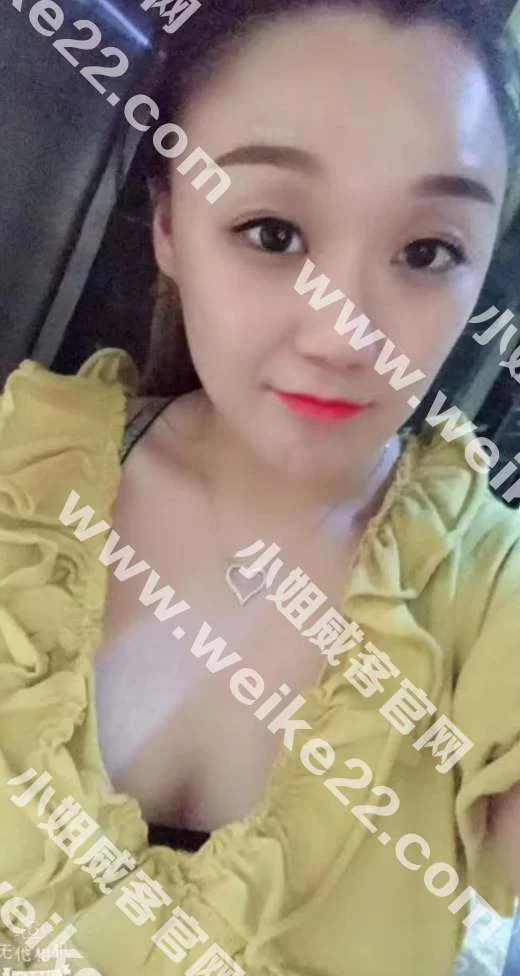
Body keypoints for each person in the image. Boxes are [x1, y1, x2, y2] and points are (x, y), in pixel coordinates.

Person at [0, 2, 519, 974]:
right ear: (168, 225)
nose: (345, 334)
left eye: (427, 252)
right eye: (272, 232)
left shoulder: (487, 591)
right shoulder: (22, 479)